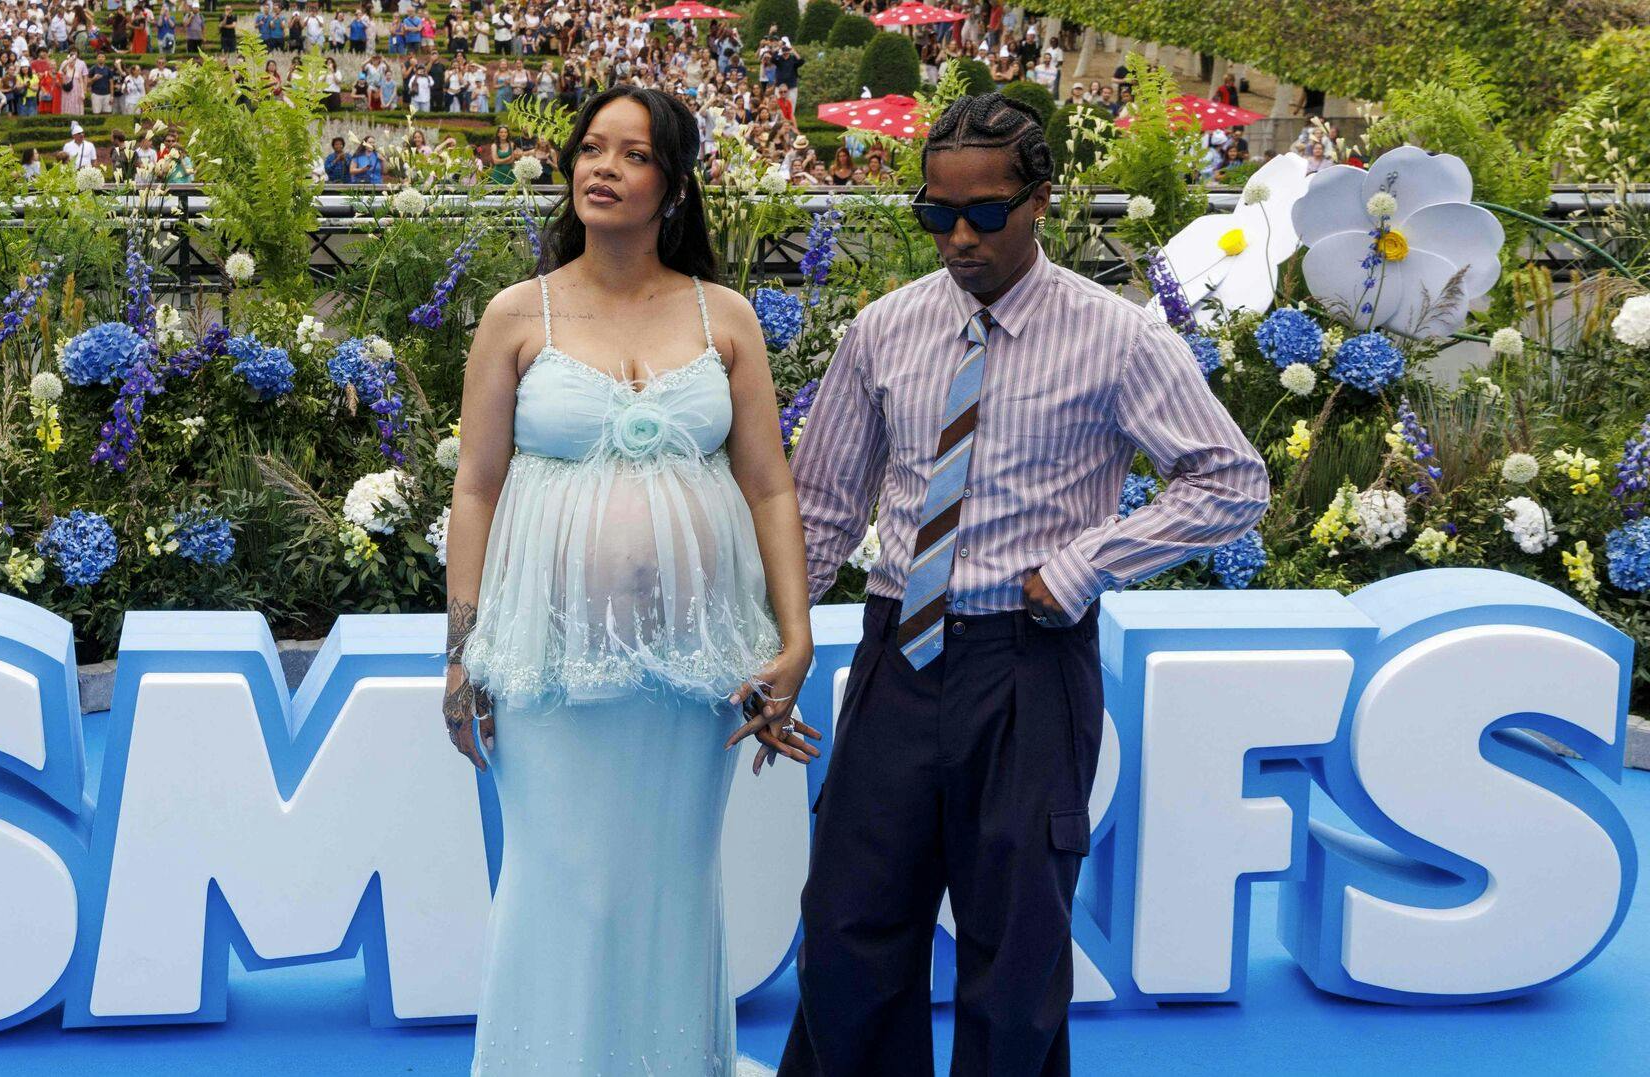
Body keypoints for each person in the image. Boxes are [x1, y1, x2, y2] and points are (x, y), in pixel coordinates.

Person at [778, 93, 1269, 1076]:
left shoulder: (1119, 338)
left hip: (1027, 667)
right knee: (848, 927)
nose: (959, 238)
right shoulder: (884, 330)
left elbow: (1232, 479)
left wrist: (1091, 564)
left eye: (987, 214)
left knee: (1016, 949)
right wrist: (780, 648)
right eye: (936, 214)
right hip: (896, 656)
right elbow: (821, 507)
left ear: (1042, 200)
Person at [447, 85, 814, 1076]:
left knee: (668, 884)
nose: (603, 168)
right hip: (549, 673)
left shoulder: (723, 316)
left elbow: (770, 486)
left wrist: (797, 637)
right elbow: (476, 489)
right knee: (561, 884)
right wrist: (461, 654)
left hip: (694, 675)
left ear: (674, 183)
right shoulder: (516, 315)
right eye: (591, 149)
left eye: (633, 154)